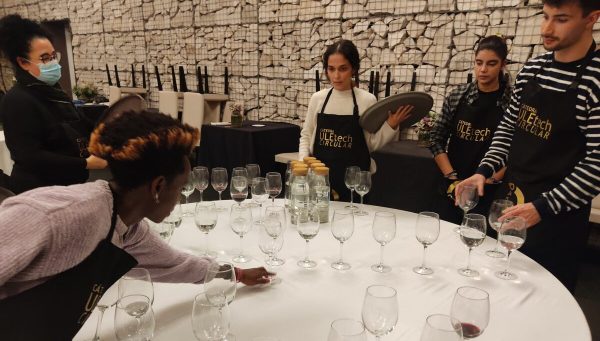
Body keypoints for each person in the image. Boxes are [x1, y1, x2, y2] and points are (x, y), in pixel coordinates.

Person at [0, 109, 273, 339]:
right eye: (179, 189)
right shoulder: (57, 215)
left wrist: (234, 273)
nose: (179, 199)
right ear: (158, 186)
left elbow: (175, 264)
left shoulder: (125, 225)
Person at [456, 0, 600, 291]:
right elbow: (509, 129)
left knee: (544, 299)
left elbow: (597, 162)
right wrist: (483, 171)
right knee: (498, 289)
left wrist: (543, 207)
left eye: (561, 19)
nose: (547, 28)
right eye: (545, 17)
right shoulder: (532, 70)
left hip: (557, 218)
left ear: (591, 18)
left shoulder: (595, 80)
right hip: (510, 203)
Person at [0, 15, 107, 194]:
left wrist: (110, 128)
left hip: (69, 186)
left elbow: (79, 123)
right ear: (23, 62)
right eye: (44, 58)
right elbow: (29, 156)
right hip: (41, 192)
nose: (53, 63)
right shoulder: (17, 101)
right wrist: (85, 163)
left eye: (53, 56)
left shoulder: (53, 92)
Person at [299, 39, 413, 201]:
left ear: (354, 69)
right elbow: (307, 135)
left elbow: (370, 144)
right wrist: (304, 162)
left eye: (343, 69)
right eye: (331, 69)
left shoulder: (367, 100)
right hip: (320, 181)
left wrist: (391, 125)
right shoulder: (318, 99)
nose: (336, 76)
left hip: (355, 183)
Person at [429, 36, 512, 225]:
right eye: (479, 63)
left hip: (489, 190)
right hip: (452, 185)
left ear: (503, 64)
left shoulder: (511, 102)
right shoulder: (458, 96)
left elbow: (514, 150)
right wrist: (453, 178)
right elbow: (436, 139)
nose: (483, 70)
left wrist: (488, 181)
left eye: (491, 64)